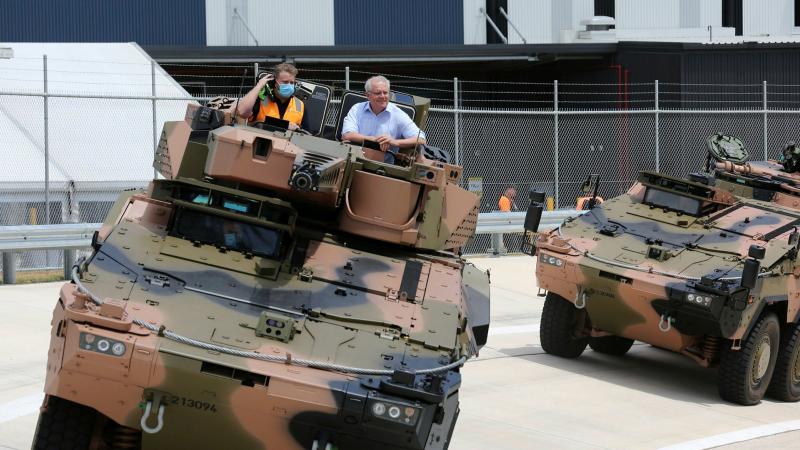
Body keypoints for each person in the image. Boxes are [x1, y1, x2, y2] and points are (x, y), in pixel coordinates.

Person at [341, 75, 426, 162]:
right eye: (378, 93)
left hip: (384, 166)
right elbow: (347, 135)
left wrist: (394, 142)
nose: (383, 96)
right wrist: (376, 140)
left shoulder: (398, 114)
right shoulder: (357, 108)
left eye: (385, 93)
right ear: (367, 95)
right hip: (355, 159)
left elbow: (421, 139)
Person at [237, 63, 304, 130]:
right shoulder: (260, 99)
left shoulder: (300, 105)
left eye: (292, 83)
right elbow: (242, 112)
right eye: (285, 82)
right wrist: (259, 86)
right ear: (274, 82)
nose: (289, 86)